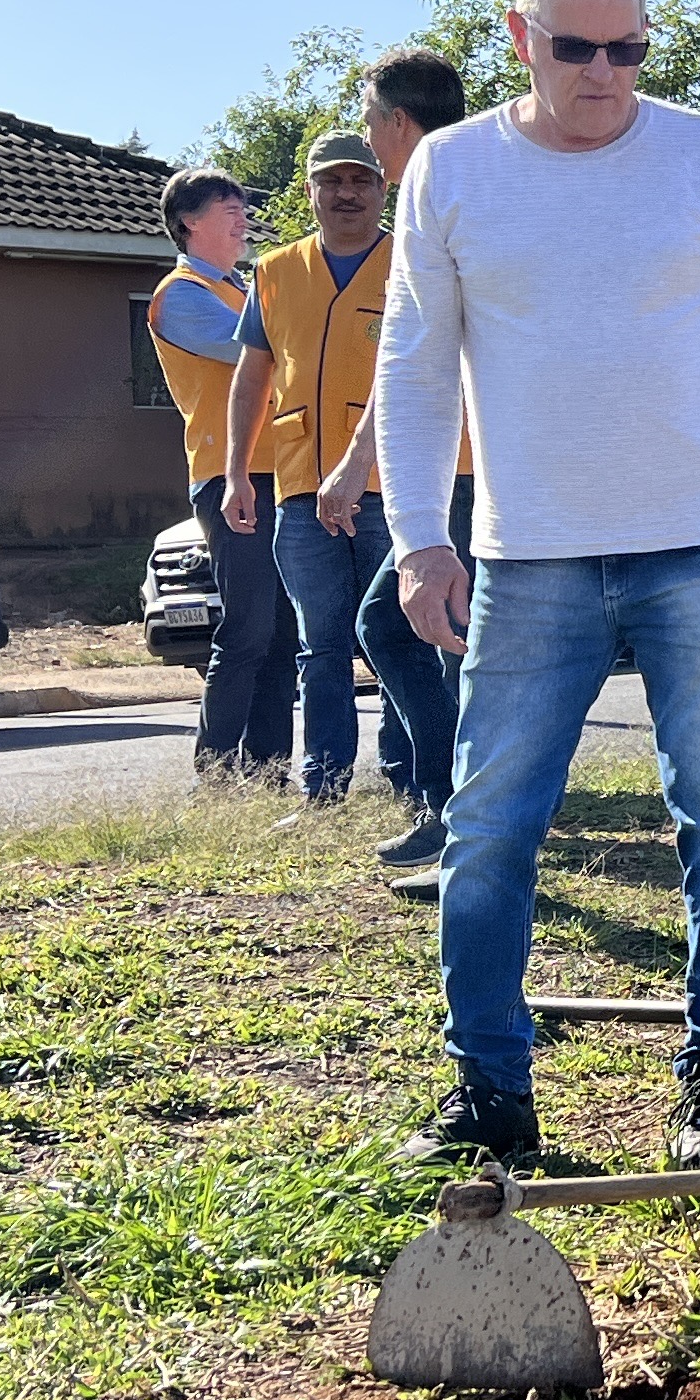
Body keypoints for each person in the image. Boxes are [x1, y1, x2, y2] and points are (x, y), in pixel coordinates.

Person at [377, 0, 700, 1171]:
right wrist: (421, 537)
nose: (604, 73)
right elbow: (413, 371)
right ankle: (491, 1095)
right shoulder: (455, 172)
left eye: (627, 49)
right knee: (488, 827)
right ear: (520, 37)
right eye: (576, 48)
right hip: (528, 559)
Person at [224, 131, 402, 804]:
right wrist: (240, 473)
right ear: (310, 193)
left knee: (400, 639)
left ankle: (411, 782)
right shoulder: (272, 273)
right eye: (333, 181)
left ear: (382, 190)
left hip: (393, 487)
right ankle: (321, 788)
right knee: (319, 646)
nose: (347, 193)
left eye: (361, 180)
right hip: (300, 489)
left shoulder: (412, 262)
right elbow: (251, 378)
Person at [350, 45, 471, 861]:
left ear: (397, 120)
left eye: (368, 122)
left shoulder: (444, 190)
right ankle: (457, 807)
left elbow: (419, 363)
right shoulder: (480, 174)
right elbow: (406, 362)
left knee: (398, 630)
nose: (368, 143)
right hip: (458, 469)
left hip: (467, 473)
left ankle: (457, 812)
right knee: (420, 635)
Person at [146, 168, 295, 777]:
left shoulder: (245, 287)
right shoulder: (180, 294)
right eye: (227, 208)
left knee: (284, 632)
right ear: (189, 223)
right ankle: (217, 770)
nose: (243, 218)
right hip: (228, 476)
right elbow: (256, 355)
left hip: (280, 470)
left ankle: (269, 768)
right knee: (249, 627)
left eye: (242, 207)